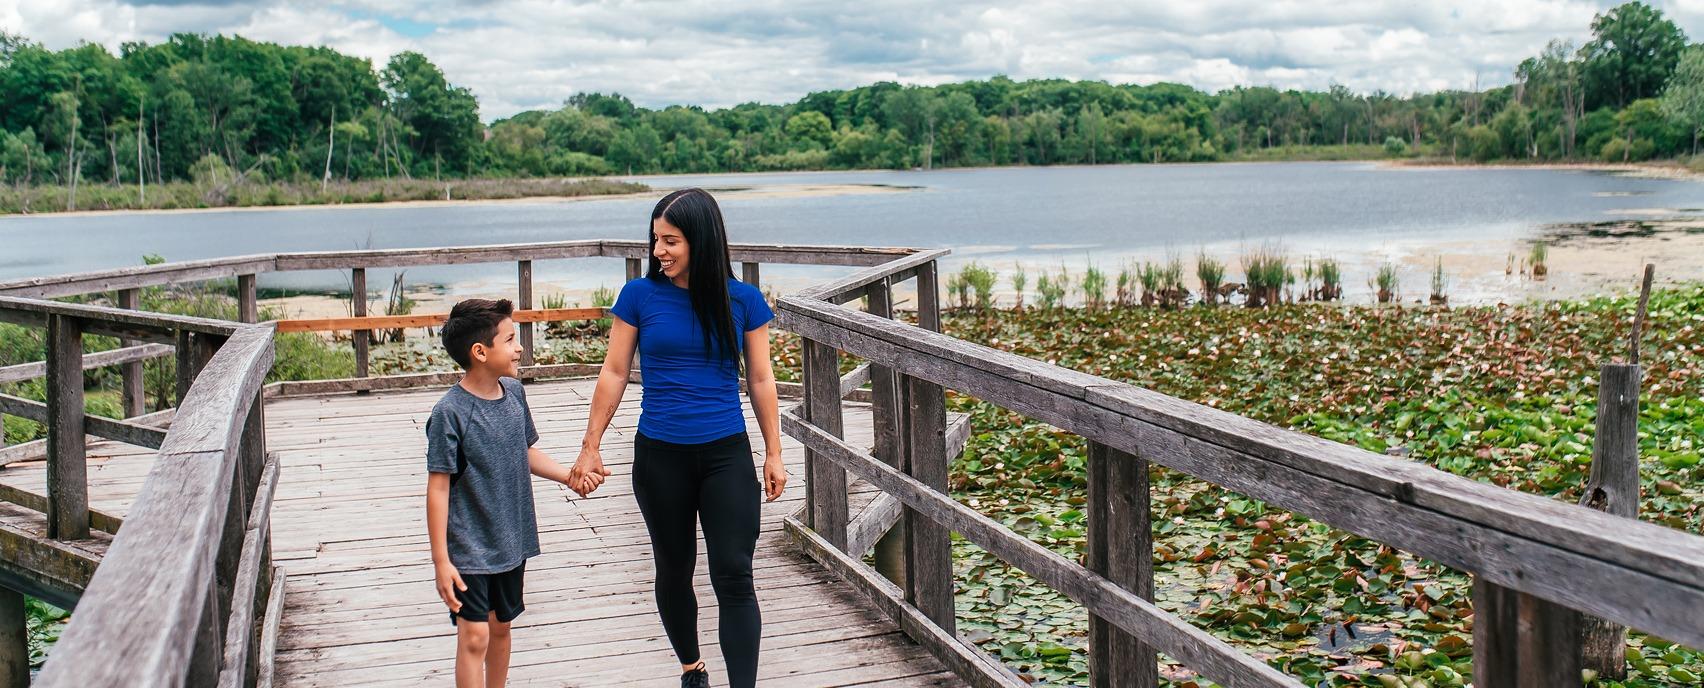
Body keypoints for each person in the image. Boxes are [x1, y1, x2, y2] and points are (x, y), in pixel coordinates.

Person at [570, 188, 786, 688]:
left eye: (671, 241)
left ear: (702, 240)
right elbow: (615, 370)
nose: (659, 251)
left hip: (725, 455)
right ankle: (692, 669)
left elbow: (760, 378)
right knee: (673, 569)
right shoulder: (639, 296)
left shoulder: (743, 300)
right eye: (655, 240)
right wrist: (591, 443)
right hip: (660, 456)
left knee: (734, 574)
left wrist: (773, 452)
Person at [425, 298, 602, 688]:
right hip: (469, 546)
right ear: (480, 352)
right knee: (474, 637)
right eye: (509, 339)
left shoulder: (515, 393)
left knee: (501, 627)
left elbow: (525, 451)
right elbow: (438, 488)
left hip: (511, 537)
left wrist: (569, 476)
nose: (519, 347)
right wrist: (441, 560)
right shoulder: (449, 413)